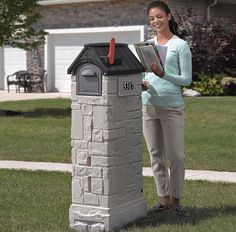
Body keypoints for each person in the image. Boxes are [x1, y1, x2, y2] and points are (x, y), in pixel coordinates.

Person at [142, 0, 192, 215]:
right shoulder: (147, 45)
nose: (156, 21)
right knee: (155, 155)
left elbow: (186, 80)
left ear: (169, 16)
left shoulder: (180, 45)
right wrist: (143, 81)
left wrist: (164, 75)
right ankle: (163, 200)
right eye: (152, 18)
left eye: (159, 16)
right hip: (148, 105)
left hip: (171, 107)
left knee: (177, 156)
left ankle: (176, 202)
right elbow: (145, 73)